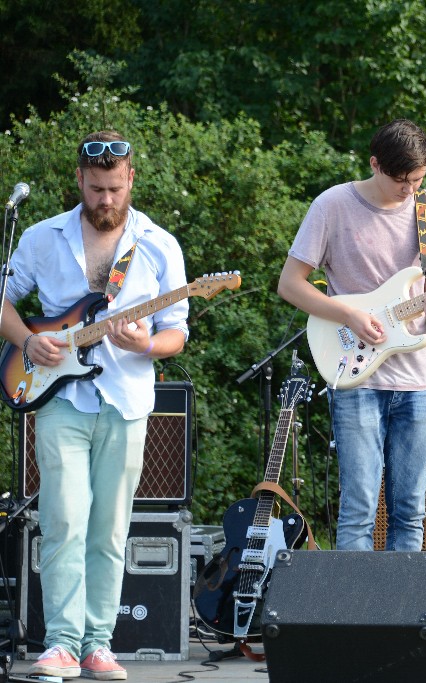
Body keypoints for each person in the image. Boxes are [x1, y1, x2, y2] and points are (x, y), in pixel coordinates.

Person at [1, 131, 189, 680]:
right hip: (59, 398)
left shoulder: (159, 244)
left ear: (131, 179)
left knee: (110, 528)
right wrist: (29, 340)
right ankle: (59, 644)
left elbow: (176, 333)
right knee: (62, 520)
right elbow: (4, 303)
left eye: (114, 188)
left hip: (127, 400)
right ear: (79, 180)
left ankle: (97, 644)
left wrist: (146, 344)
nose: (106, 199)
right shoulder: (41, 237)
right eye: (96, 188)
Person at [277, 119, 426, 551]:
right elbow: (290, 284)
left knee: (411, 512)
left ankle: (404, 618)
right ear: (374, 164)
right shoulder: (332, 205)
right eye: (400, 180)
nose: (409, 189)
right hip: (354, 375)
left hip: (418, 381)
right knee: (359, 510)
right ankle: (355, 618)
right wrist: (348, 313)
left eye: (418, 180)